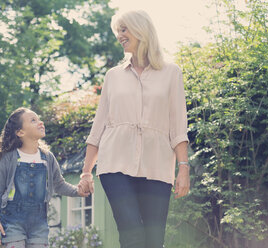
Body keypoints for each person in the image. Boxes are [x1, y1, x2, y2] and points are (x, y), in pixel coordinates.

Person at [78, 10, 190, 248]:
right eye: (118, 31)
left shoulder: (172, 73)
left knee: (153, 240)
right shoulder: (113, 76)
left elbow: (178, 126)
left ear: (141, 29)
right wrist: (86, 171)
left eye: (124, 29)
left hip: (157, 165)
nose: (119, 36)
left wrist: (183, 168)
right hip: (115, 162)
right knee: (132, 234)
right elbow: (99, 126)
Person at [0, 107, 89, 248]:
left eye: (39, 119)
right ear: (20, 132)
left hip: (39, 221)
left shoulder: (47, 158)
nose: (40, 122)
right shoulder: (9, 159)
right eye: (33, 120)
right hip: (12, 220)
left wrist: (77, 191)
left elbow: (59, 184)